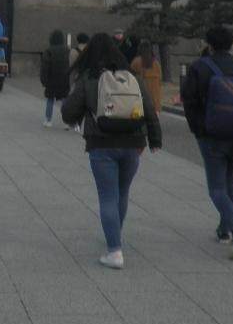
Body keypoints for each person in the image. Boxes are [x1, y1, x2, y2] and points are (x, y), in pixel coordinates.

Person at [61, 33, 162, 270]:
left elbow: (68, 112)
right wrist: (155, 139)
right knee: (122, 192)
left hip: (102, 143)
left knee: (107, 196)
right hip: (133, 143)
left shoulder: (89, 77)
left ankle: (114, 251)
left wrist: (78, 115)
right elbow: (149, 109)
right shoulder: (132, 77)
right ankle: (115, 232)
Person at [180, 26, 233, 259]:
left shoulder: (200, 68)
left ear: (209, 44)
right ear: (232, 44)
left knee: (216, 188)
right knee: (228, 180)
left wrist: (198, 129)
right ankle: (224, 229)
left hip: (211, 134)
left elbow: (190, 101)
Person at [39, 29, 70, 128]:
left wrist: (44, 80)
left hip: (51, 80)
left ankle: (48, 120)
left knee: (50, 99)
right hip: (64, 79)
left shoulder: (48, 51)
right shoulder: (67, 50)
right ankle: (66, 122)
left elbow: (44, 68)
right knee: (64, 100)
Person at [130, 41, 163, 114]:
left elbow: (130, 78)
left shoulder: (136, 62)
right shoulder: (156, 63)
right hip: (155, 102)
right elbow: (160, 80)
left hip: (141, 100)